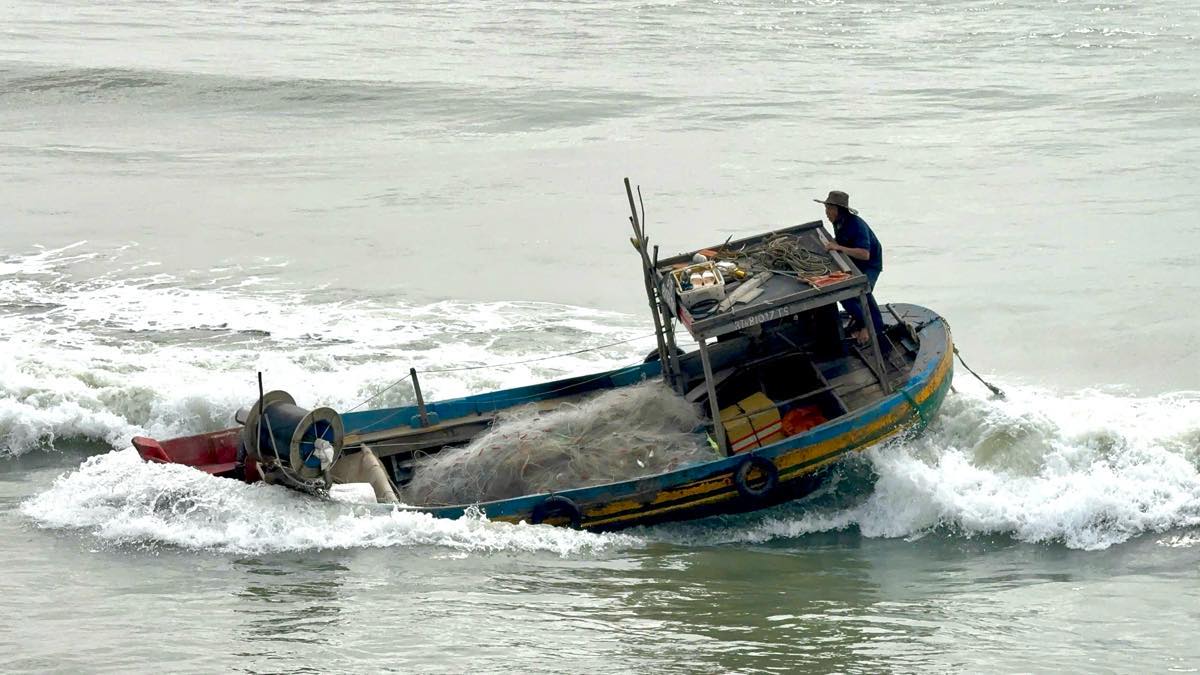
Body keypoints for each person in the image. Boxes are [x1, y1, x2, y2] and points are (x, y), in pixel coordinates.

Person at [814, 190, 885, 347]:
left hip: (870, 264)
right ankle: (868, 323)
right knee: (851, 296)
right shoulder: (838, 222)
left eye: (829, 210)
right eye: (825, 210)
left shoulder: (856, 225)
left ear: (838, 210)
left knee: (858, 293)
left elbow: (865, 254)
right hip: (853, 262)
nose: (827, 214)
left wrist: (838, 247)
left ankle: (869, 327)